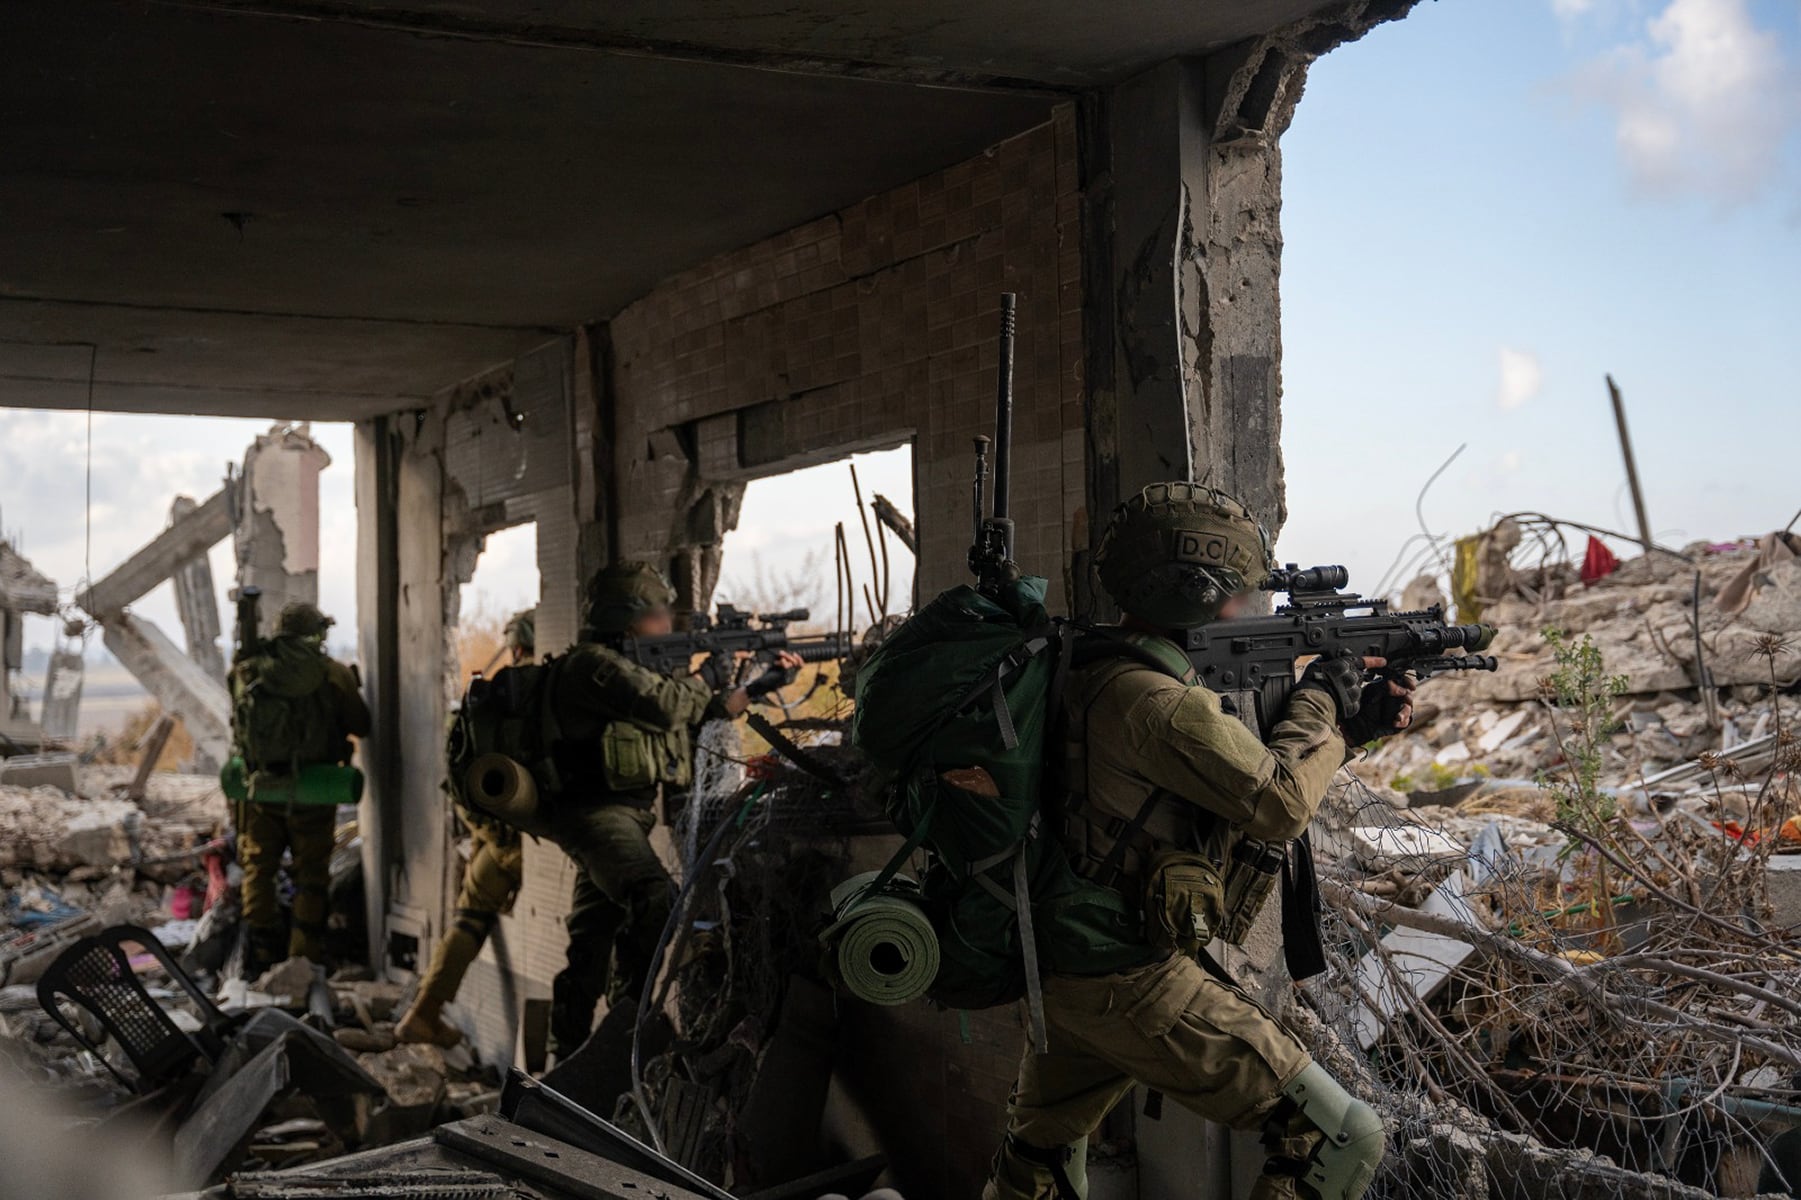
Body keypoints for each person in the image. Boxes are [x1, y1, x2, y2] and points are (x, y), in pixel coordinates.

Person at [984, 484, 1413, 1200]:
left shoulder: (1094, 668)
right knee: (1337, 1138)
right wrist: (1322, 697)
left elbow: (1233, 784)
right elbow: (1276, 804)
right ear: (1197, 594)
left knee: (1039, 1163)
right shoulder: (1154, 701)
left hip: (1068, 969)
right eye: (1245, 590)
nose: (1258, 604)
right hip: (1130, 981)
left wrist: (1350, 727)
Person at [547, 561, 800, 1067]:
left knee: (594, 933)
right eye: (658, 615)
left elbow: (700, 712)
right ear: (626, 617)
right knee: (654, 897)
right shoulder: (592, 665)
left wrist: (756, 685)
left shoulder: (637, 667)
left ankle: (568, 1057)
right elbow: (662, 704)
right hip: (597, 813)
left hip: (624, 814)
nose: (668, 625)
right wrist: (706, 673)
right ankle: (625, 1041)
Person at [397, 608, 536, 1046]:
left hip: (494, 833)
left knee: (469, 918)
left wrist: (485, 832)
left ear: (514, 648)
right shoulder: (550, 693)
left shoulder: (487, 698)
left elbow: (460, 775)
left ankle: (424, 1011)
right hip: (534, 838)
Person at [230, 601, 371, 976]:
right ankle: (302, 959)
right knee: (311, 875)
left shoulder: (248, 669)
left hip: (262, 789)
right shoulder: (332, 674)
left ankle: (263, 955)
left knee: (258, 867)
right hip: (313, 789)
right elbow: (362, 724)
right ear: (317, 634)